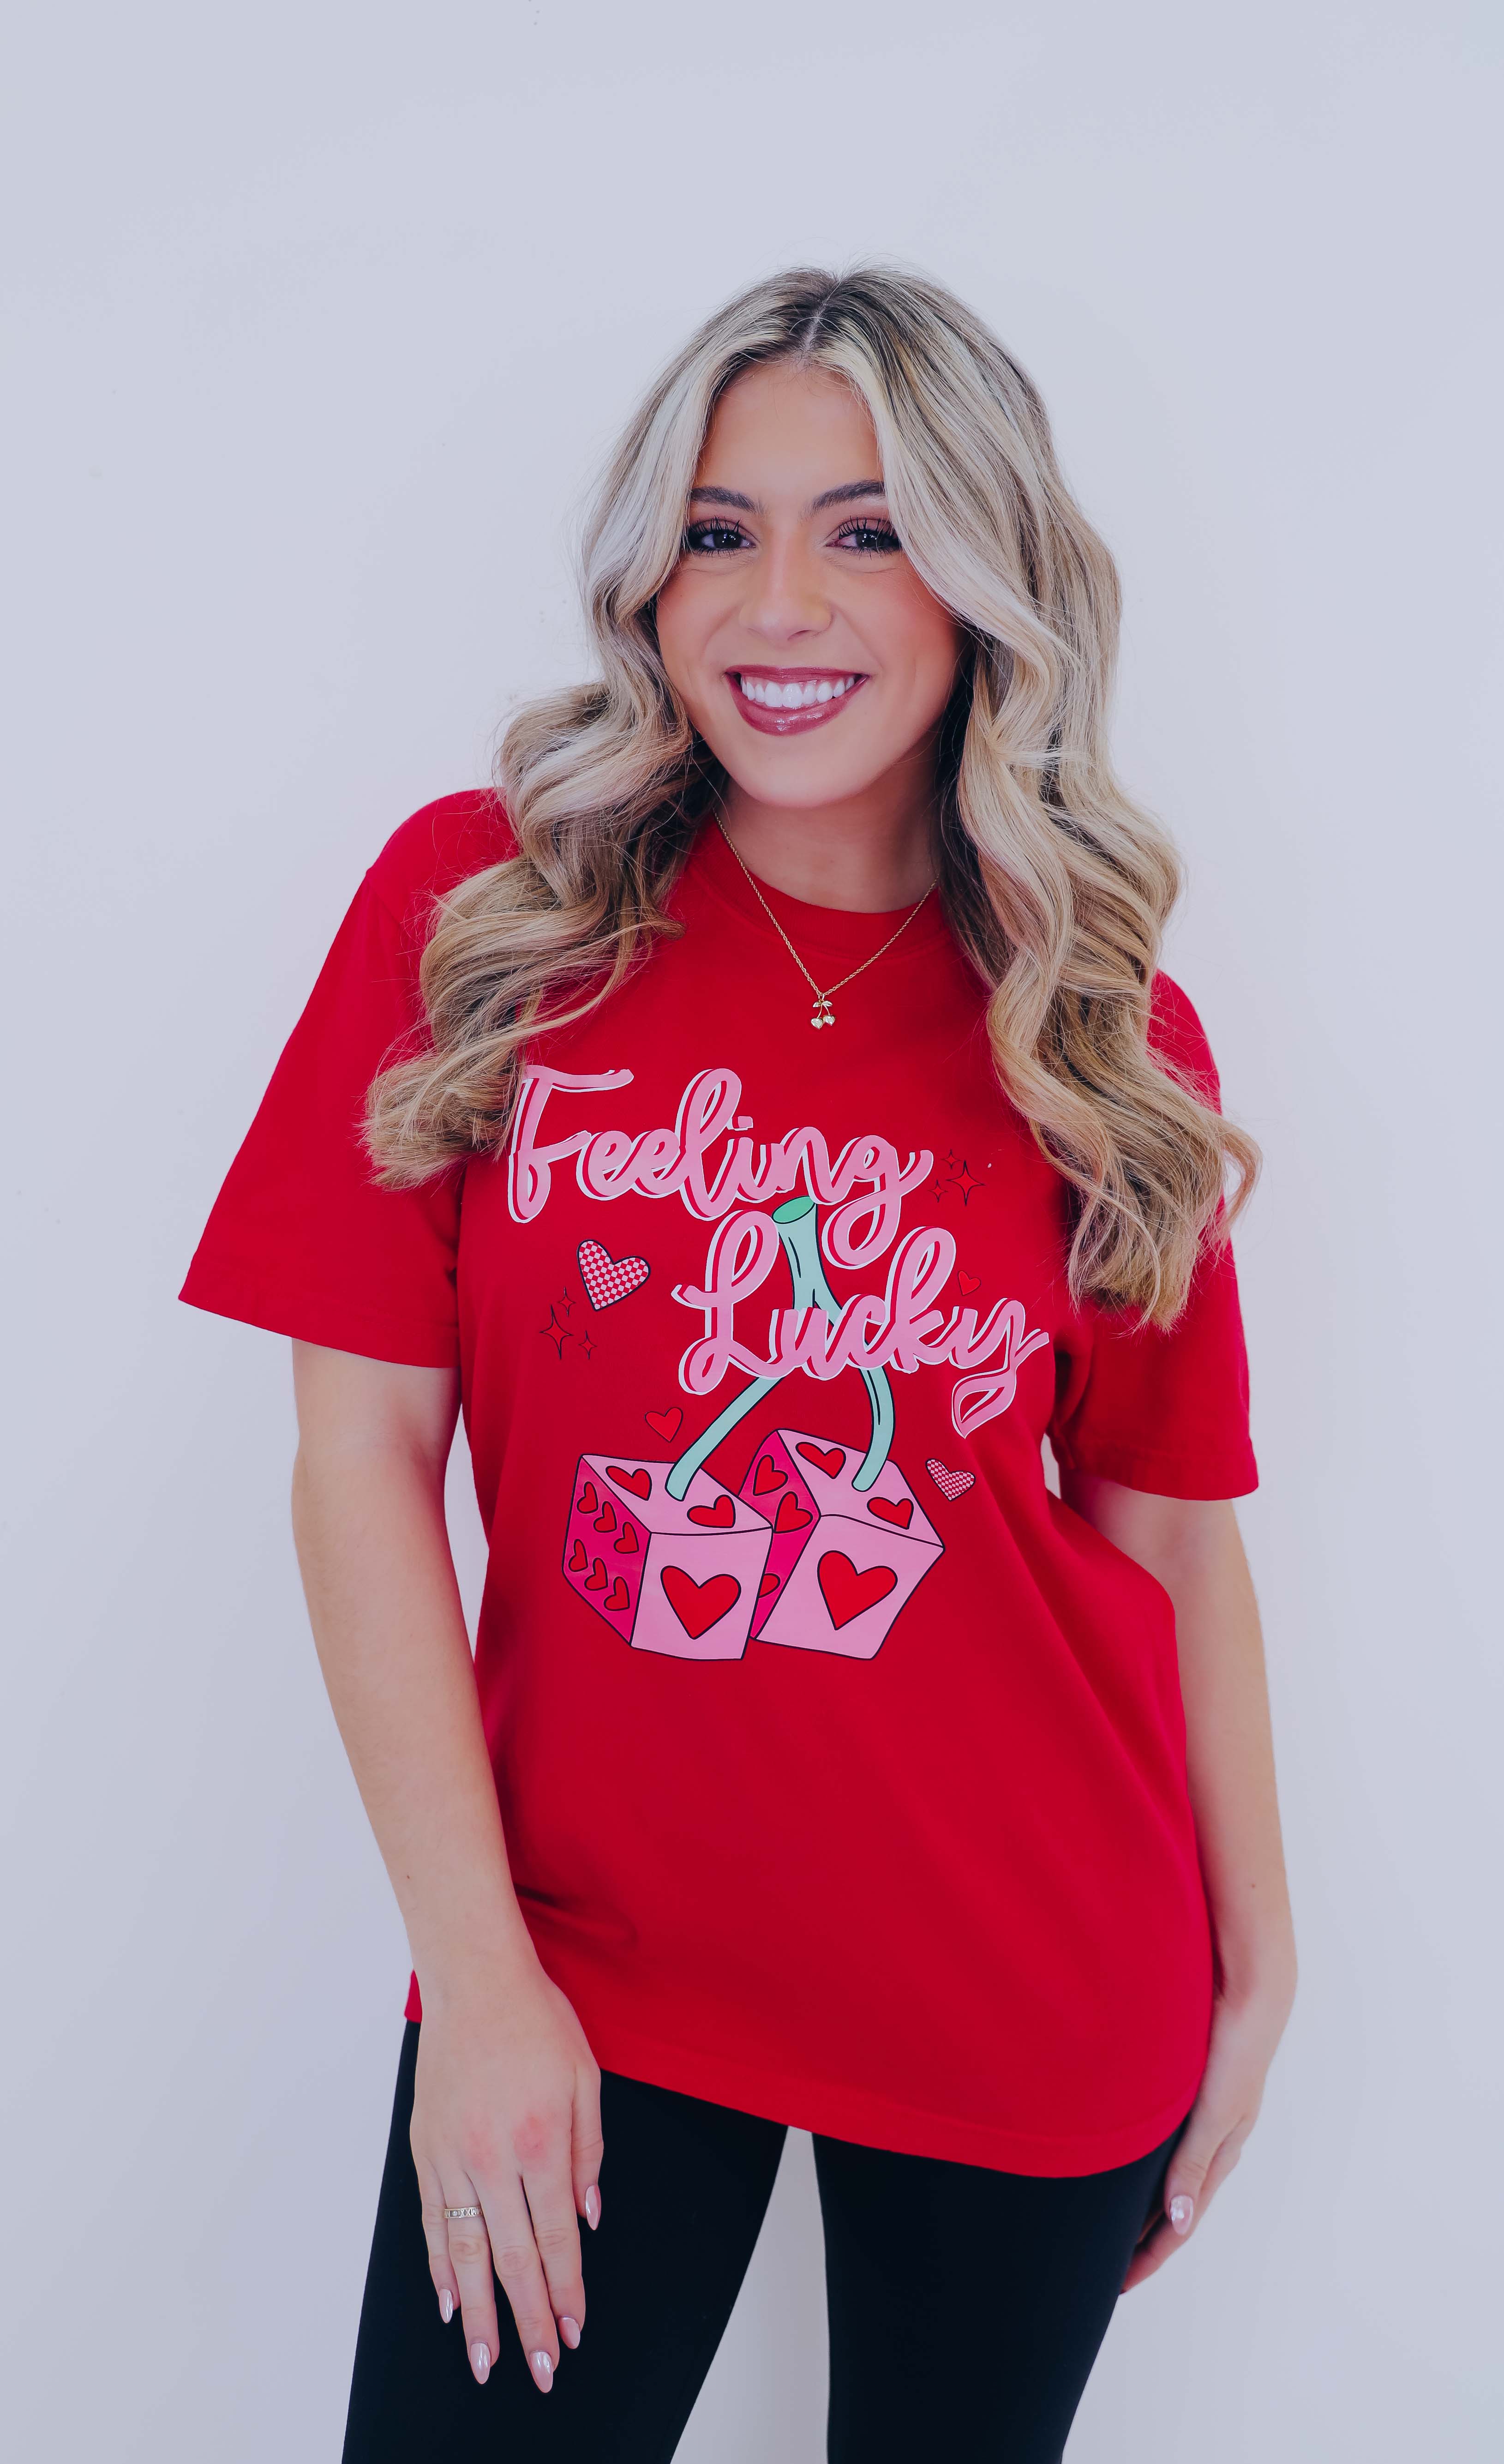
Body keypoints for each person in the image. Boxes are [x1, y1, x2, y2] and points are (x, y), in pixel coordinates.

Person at [182, 264, 1296, 2463]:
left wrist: (1260, 1959)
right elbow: (358, 1458)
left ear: (983, 581)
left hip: (1027, 1971)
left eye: (866, 530)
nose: (780, 601)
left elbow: (1166, 1529)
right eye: (718, 529)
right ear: (650, 578)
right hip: (578, 1965)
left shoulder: (1093, 1031)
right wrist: (474, 1982)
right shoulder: (484, 916)